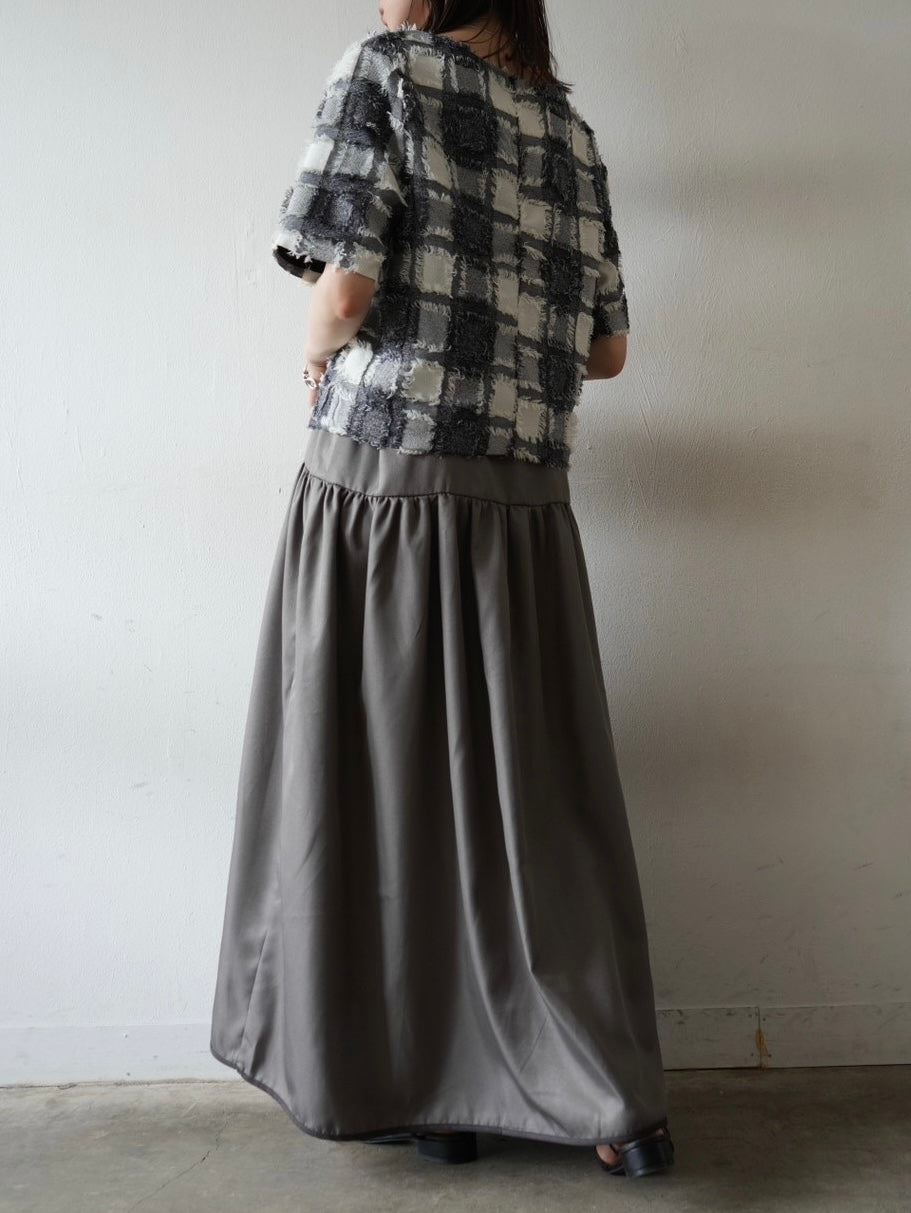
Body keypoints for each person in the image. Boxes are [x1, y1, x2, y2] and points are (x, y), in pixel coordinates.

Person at [209, 0, 675, 1180]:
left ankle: (418, 1084)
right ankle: (605, 1099)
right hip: (523, 503)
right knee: (529, 796)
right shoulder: (567, 131)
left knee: (380, 780)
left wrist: (313, 349)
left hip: (386, 483)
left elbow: (344, 288)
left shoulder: (389, 71)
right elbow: (606, 351)